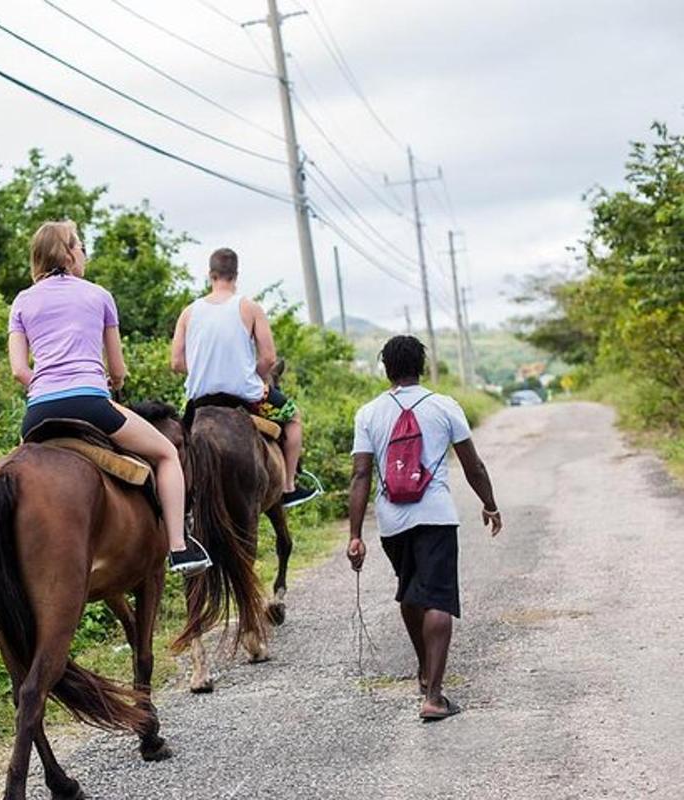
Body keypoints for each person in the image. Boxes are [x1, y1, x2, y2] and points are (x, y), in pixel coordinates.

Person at [9, 220, 211, 576]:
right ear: (69, 252)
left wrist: (43, 381)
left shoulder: (22, 301)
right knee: (166, 454)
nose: (84, 254)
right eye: (82, 247)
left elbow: (18, 370)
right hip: (91, 404)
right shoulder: (98, 295)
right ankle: (179, 547)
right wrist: (110, 379)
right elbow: (117, 368)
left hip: (38, 413)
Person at [346, 335, 502, 721]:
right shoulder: (444, 406)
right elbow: (473, 464)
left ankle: (423, 669)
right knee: (438, 599)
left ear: (386, 369)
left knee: (412, 593)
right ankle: (433, 695)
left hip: (391, 519)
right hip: (435, 515)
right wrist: (490, 504)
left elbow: (360, 474)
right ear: (421, 365)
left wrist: (354, 535)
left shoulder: (368, 413)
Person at [170, 247, 317, 507]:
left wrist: (206, 369)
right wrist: (252, 376)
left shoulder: (189, 312)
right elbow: (269, 358)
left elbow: (176, 362)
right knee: (293, 418)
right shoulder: (250, 308)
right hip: (245, 394)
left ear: (210, 275)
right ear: (235, 275)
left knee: (179, 441)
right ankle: (288, 486)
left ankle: (180, 501)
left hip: (199, 402)